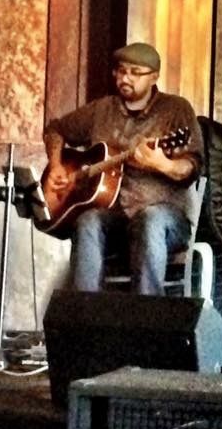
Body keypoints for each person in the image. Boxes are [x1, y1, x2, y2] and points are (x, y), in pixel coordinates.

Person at [43, 42, 204, 295]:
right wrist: (56, 165)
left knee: (150, 220)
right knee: (87, 221)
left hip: (165, 219)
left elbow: (191, 167)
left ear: (154, 77)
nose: (125, 78)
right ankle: (85, 311)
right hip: (116, 217)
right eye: (120, 71)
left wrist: (162, 164)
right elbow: (55, 130)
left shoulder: (176, 109)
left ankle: (145, 314)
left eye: (135, 72)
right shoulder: (101, 110)